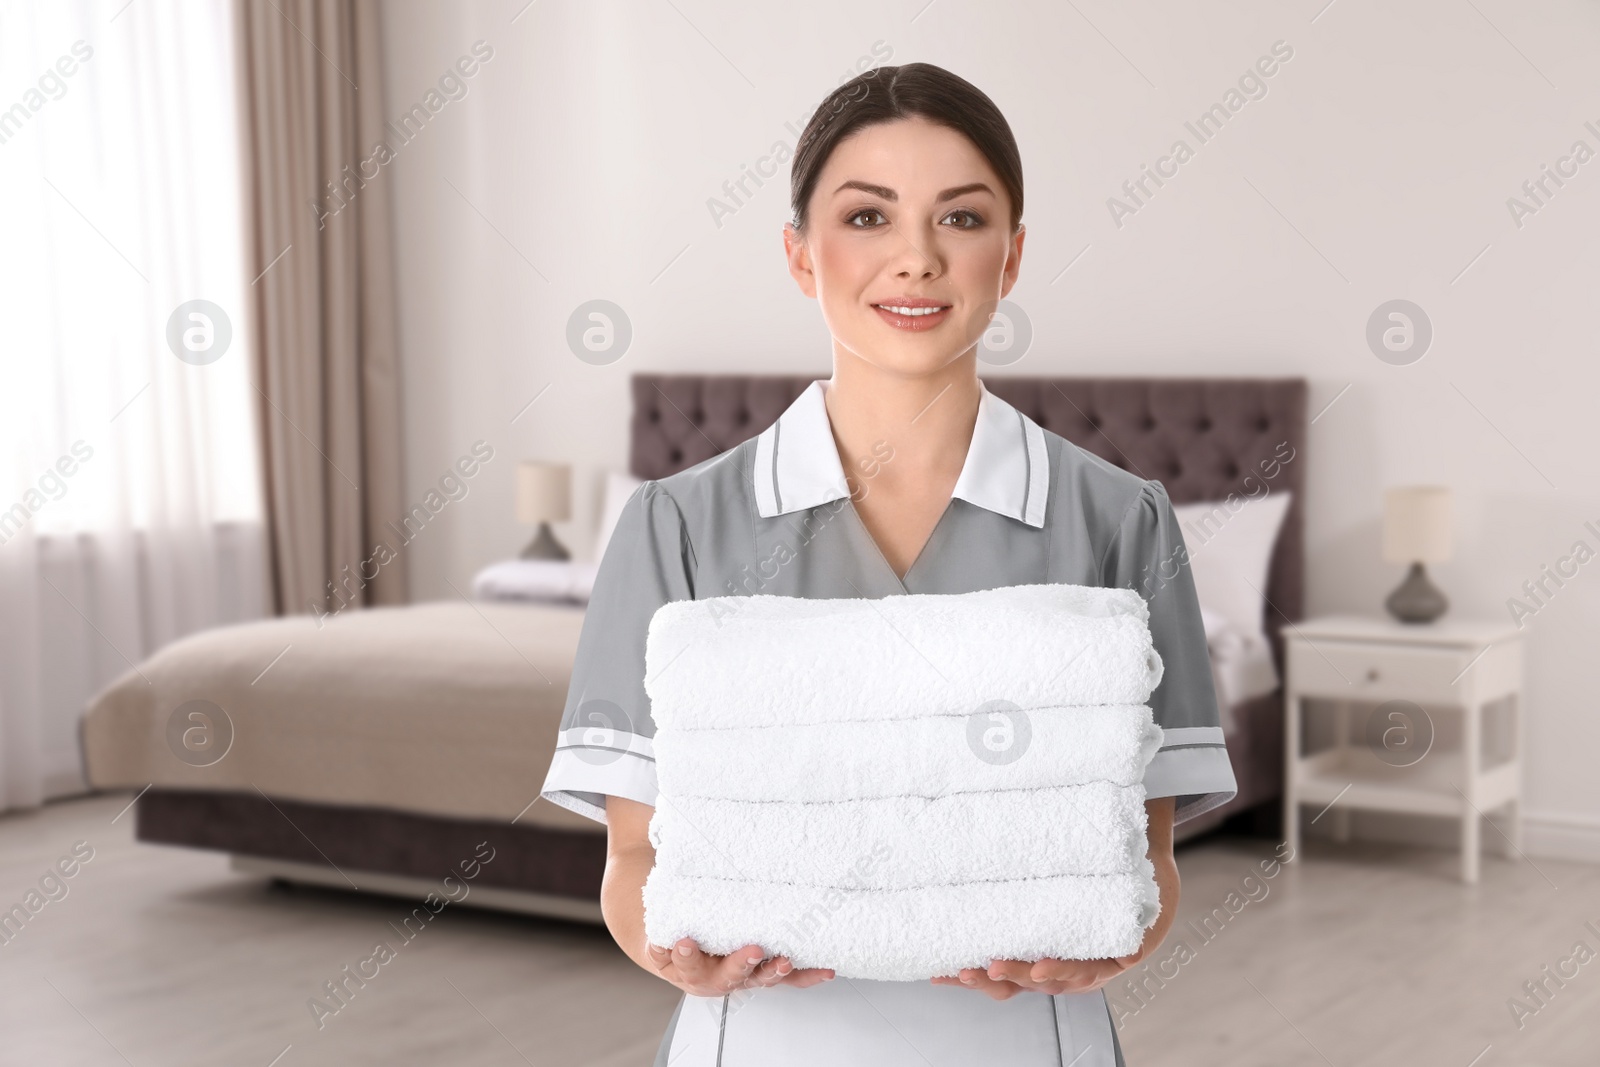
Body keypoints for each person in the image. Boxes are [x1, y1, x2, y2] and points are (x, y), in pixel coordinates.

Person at [539, 61, 1237, 1067]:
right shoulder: (674, 524)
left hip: (1026, 1041)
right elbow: (633, 861)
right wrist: (671, 950)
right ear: (797, 254)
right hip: (761, 1039)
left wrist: (1106, 944)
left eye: (960, 218)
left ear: (1012, 254)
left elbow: (1149, 862)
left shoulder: (1118, 518)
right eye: (867, 217)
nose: (915, 258)